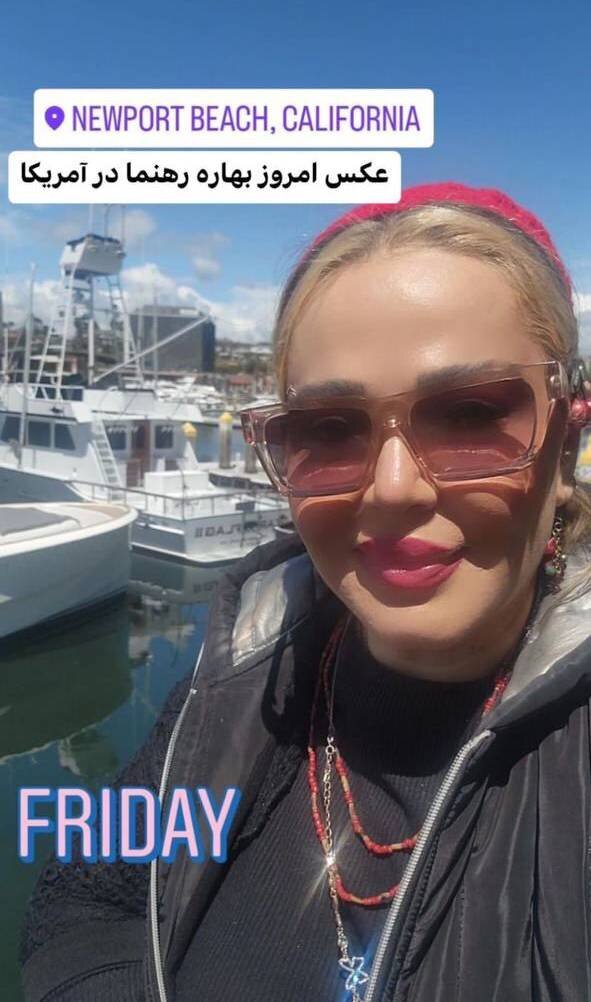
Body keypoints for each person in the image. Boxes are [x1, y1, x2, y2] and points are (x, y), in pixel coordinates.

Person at [21, 182, 591, 1002]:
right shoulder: (245, 672)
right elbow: (90, 886)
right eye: (327, 429)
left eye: (469, 414)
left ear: (566, 436)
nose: (392, 489)